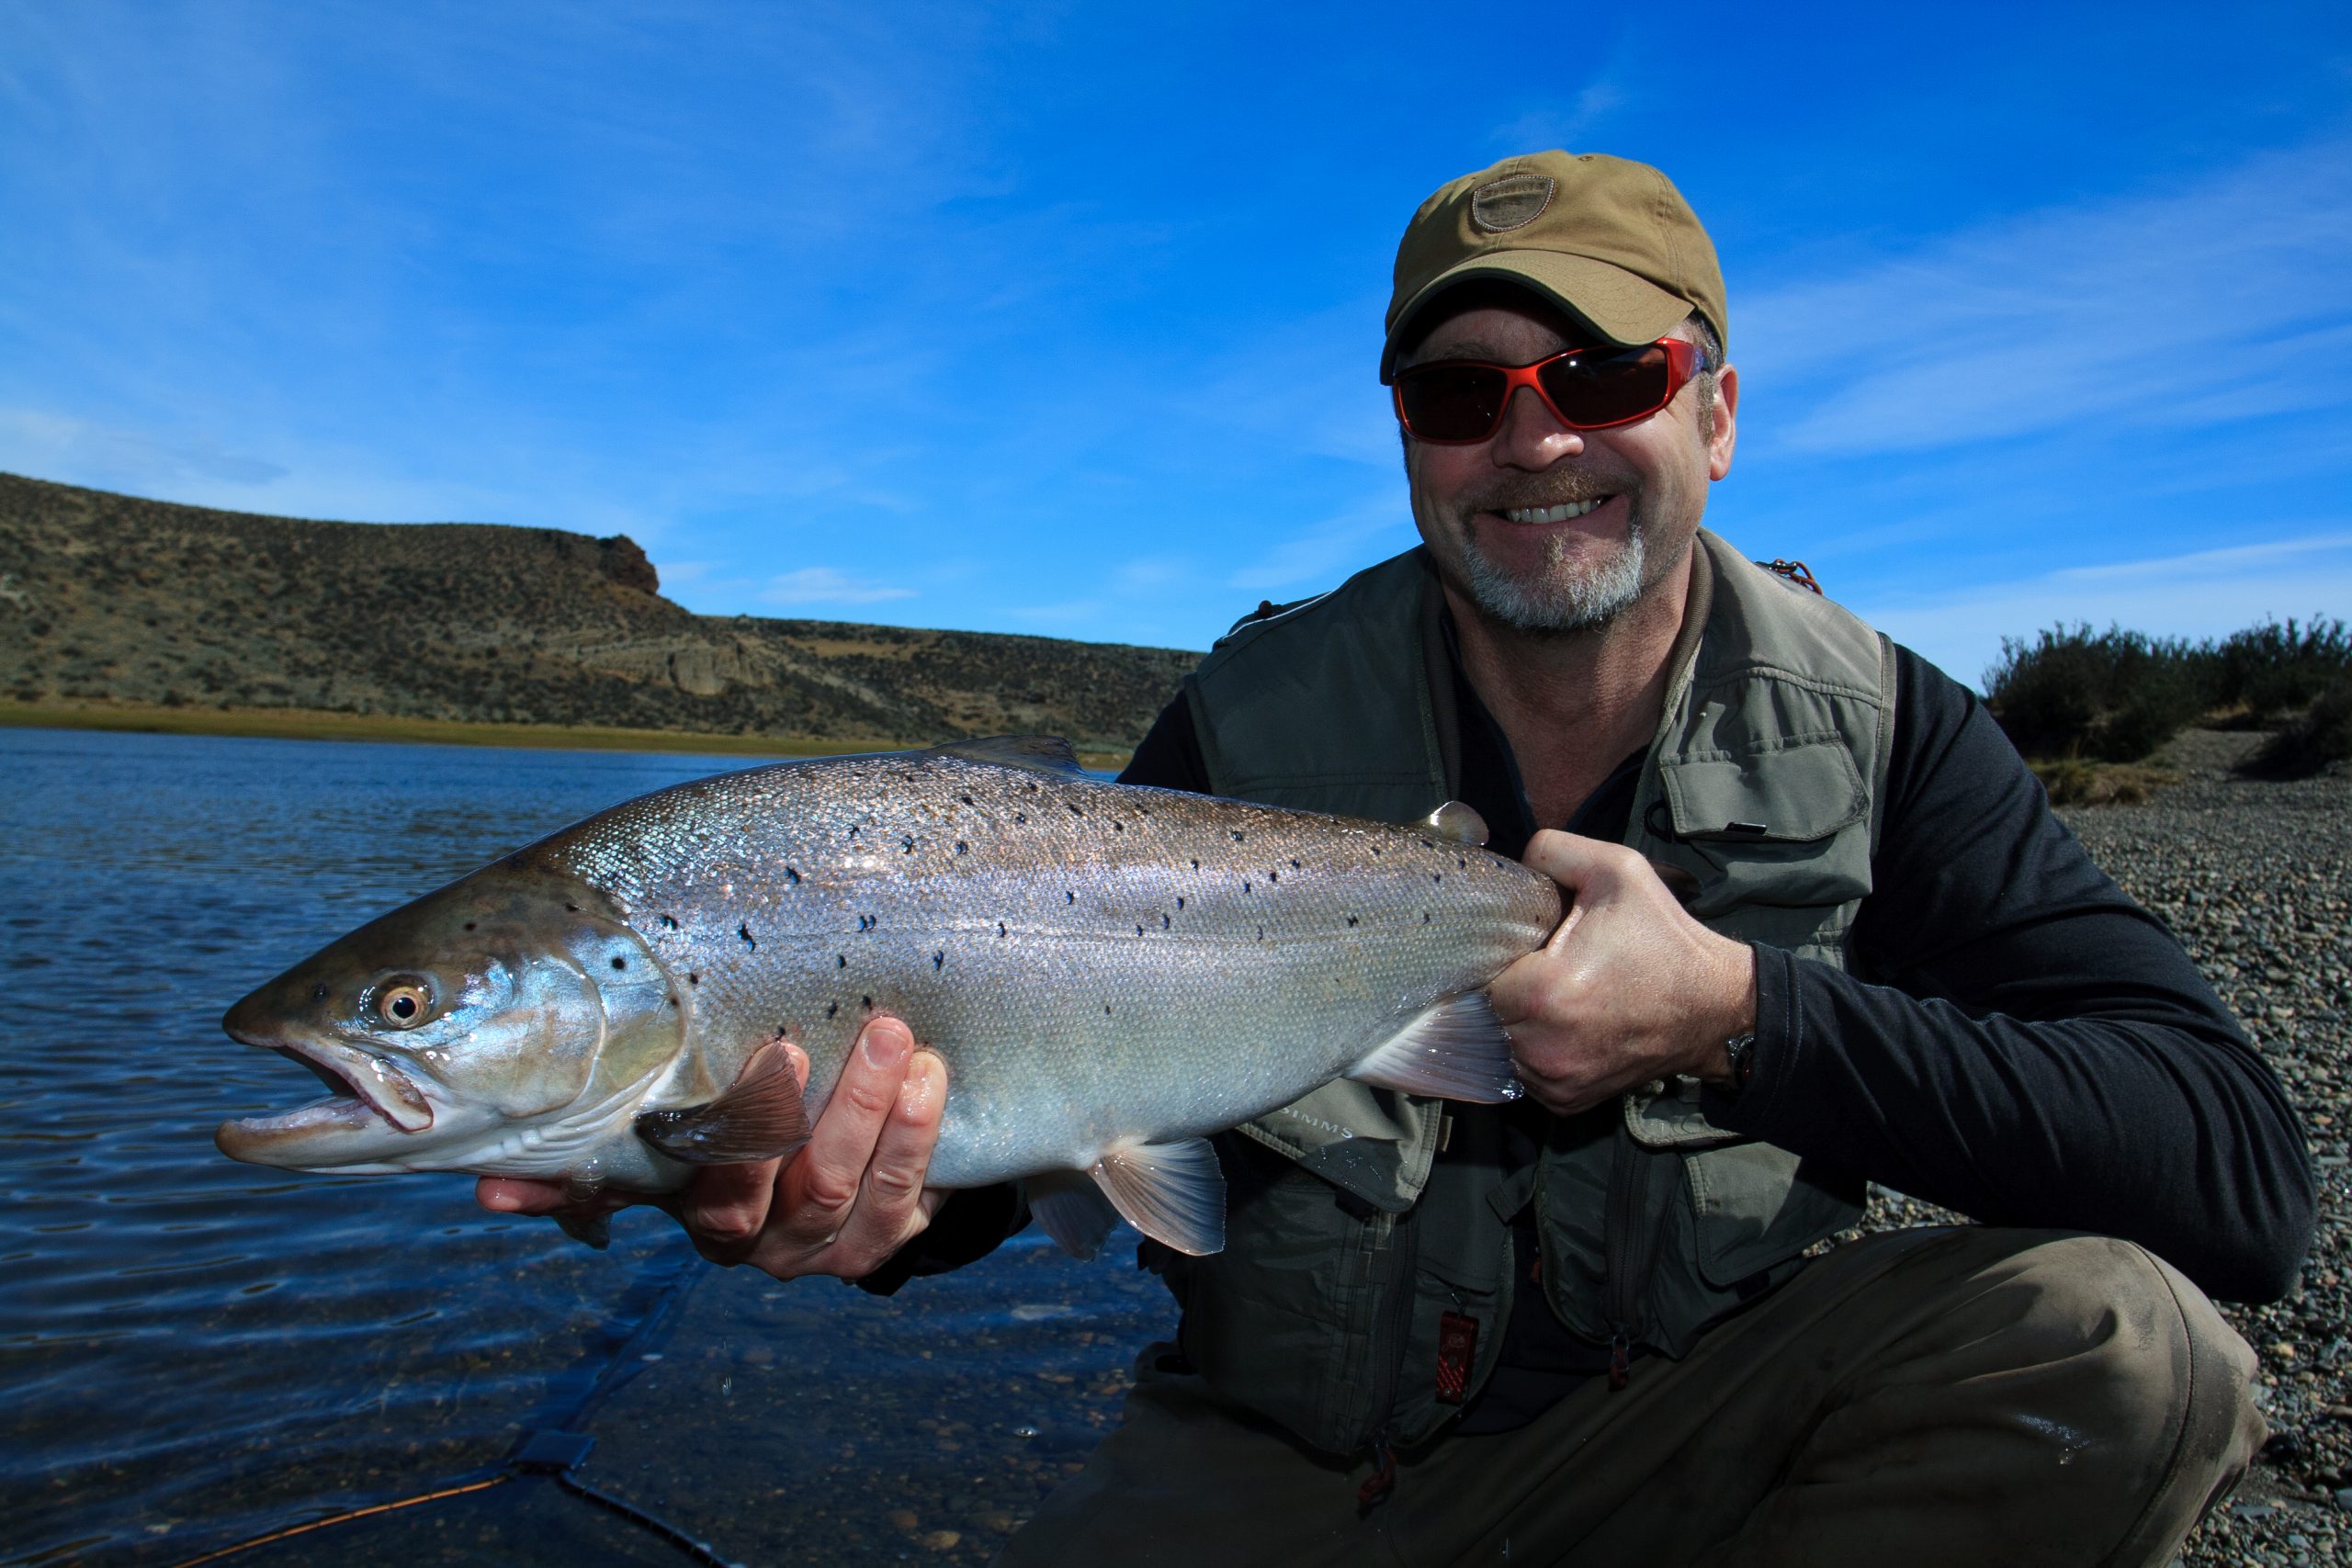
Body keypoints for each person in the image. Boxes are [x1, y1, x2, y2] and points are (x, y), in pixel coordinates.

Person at [481, 151, 2314, 1565]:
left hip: (1695, 1434)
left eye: (1604, 370)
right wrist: (853, 1214)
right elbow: (1028, 1110)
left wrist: (1739, 1015)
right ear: (1407, 440)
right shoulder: (1245, 729)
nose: (1532, 436)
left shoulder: (1892, 735)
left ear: (1714, 414)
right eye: (1459, 393)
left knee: (2118, 1348)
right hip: (1283, 1475)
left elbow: (2233, 1174)